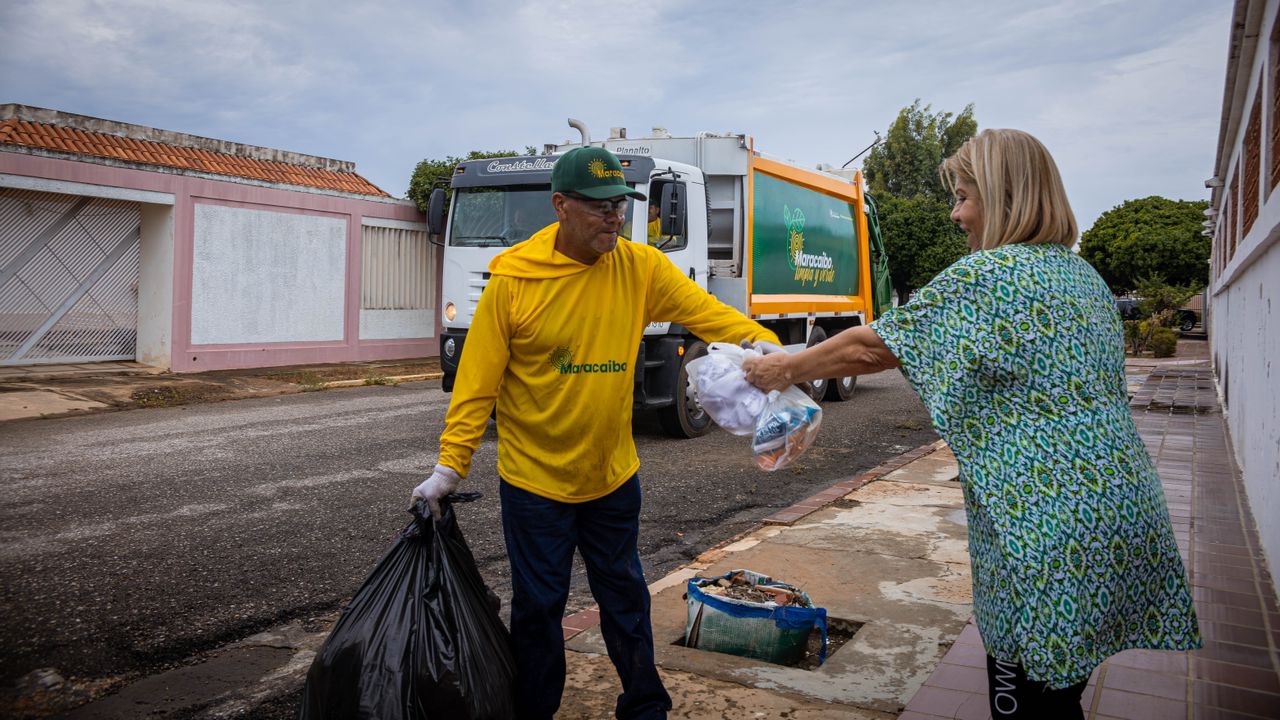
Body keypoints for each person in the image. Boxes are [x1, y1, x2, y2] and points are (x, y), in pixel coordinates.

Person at [741, 129, 1200, 720]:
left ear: (1005, 196)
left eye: (963, 196)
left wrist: (784, 369)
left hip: (1041, 526)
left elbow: (872, 348)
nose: (956, 214)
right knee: (1061, 696)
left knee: (1024, 698)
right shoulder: (1083, 278)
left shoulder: (991, 274)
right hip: (1118, 509)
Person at [412, 146, 780, 720]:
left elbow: (709, 314)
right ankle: (534, 711)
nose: (615, 217)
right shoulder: (514, 280)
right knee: (538, 609)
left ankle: (645, 707)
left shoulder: (640, 267)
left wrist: (771, 348)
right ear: (560, 205)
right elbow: (476, 386)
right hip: (535, 484)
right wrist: (449, 467)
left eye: (620, 205)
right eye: (600, 206)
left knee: (625, 598)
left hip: (611, 476)